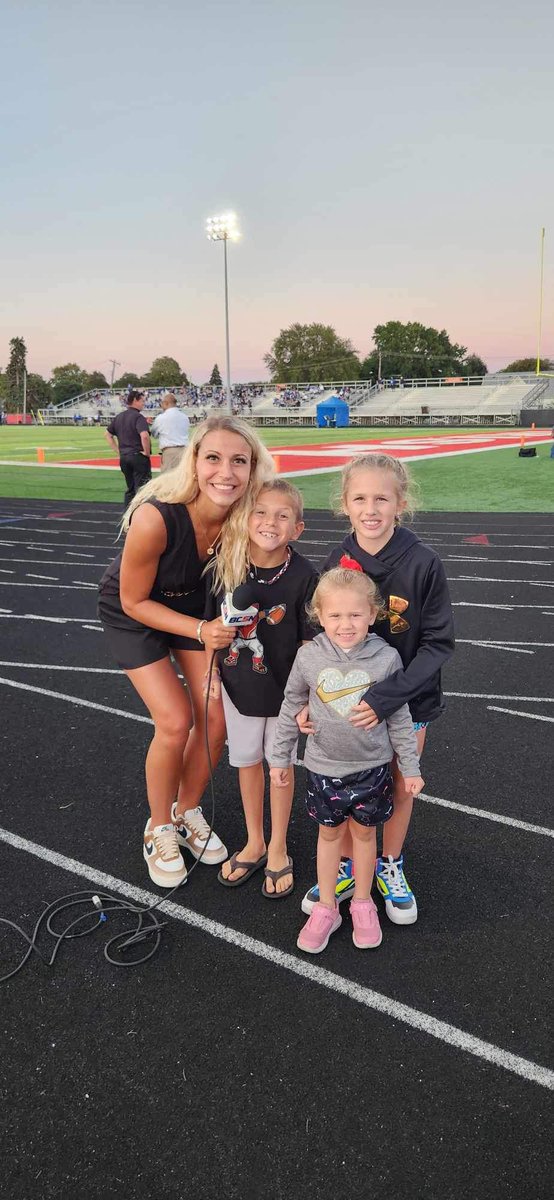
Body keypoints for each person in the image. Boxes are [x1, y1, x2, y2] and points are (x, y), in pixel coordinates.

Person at [98, 415, 275, 888]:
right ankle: (158, 827)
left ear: (253, 468)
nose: (226, 472)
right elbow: (134, 601)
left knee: (216, 717)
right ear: (193, 461)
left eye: (240, 461)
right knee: (175, 721)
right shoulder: (156, 517)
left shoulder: (245, 517)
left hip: (195, 614)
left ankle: (186, 810)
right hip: (135, 612)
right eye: (213, 458)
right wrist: (200, 629)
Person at [298, 453, 454, 924]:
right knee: (348, 782)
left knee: (400, 782)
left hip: (410, 700)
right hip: (344, 703)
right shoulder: (336, 560)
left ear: (400, 503)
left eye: (382, 498)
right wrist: (310, 702)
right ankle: (348, 866)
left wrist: (388, 697)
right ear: (344, 504)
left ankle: (390, 864)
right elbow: (318, 638)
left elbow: (437, 643)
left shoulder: (424, 562)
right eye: (360, 498)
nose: (371, 508)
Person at [270, 567, 423, 953]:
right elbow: (292, 704)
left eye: (355, 614)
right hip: (323, 769)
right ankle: (326, 907)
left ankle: (362, 901)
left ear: (372, 614)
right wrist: (280, 758)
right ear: (319, 616)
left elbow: (401, 716)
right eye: (335, 615)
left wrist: (410, 767)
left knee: (366, 835)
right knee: (328, 836)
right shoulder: (308, 657)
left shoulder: (386, 658)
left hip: (371, 769)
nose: (345, 624)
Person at [205, 480, 318, 897]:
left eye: (282, 515)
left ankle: (278, 847)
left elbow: (309, 640)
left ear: (297, 528)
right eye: (261, 512)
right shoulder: (226, 563)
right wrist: (209, 671)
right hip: (239, 689)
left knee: (281, 769)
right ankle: (254, 839)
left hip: (286, 695)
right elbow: (209, 628)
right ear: (246, 518)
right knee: (247, 763)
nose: (270, 522)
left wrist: (307, 696)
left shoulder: (306, 575)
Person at [105, 390, 152, 509]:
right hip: (137, 456)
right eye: (142, 401)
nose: (143, 403)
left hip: (124, 457)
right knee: (143, 489)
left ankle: (127, 518)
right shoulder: (138, 417)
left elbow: (107, 435)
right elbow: (144, 436)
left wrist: (118, 451)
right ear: (135, 400)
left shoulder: (119, 417)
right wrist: (146, 453)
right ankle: (141, 517)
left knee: (130, 489)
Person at [150, 392, 190, 473]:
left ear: (166, 403)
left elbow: (154, 434)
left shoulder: (161, 418)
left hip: (170, 452)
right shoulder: (185, 417)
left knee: (168, 480)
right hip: (185, 451)